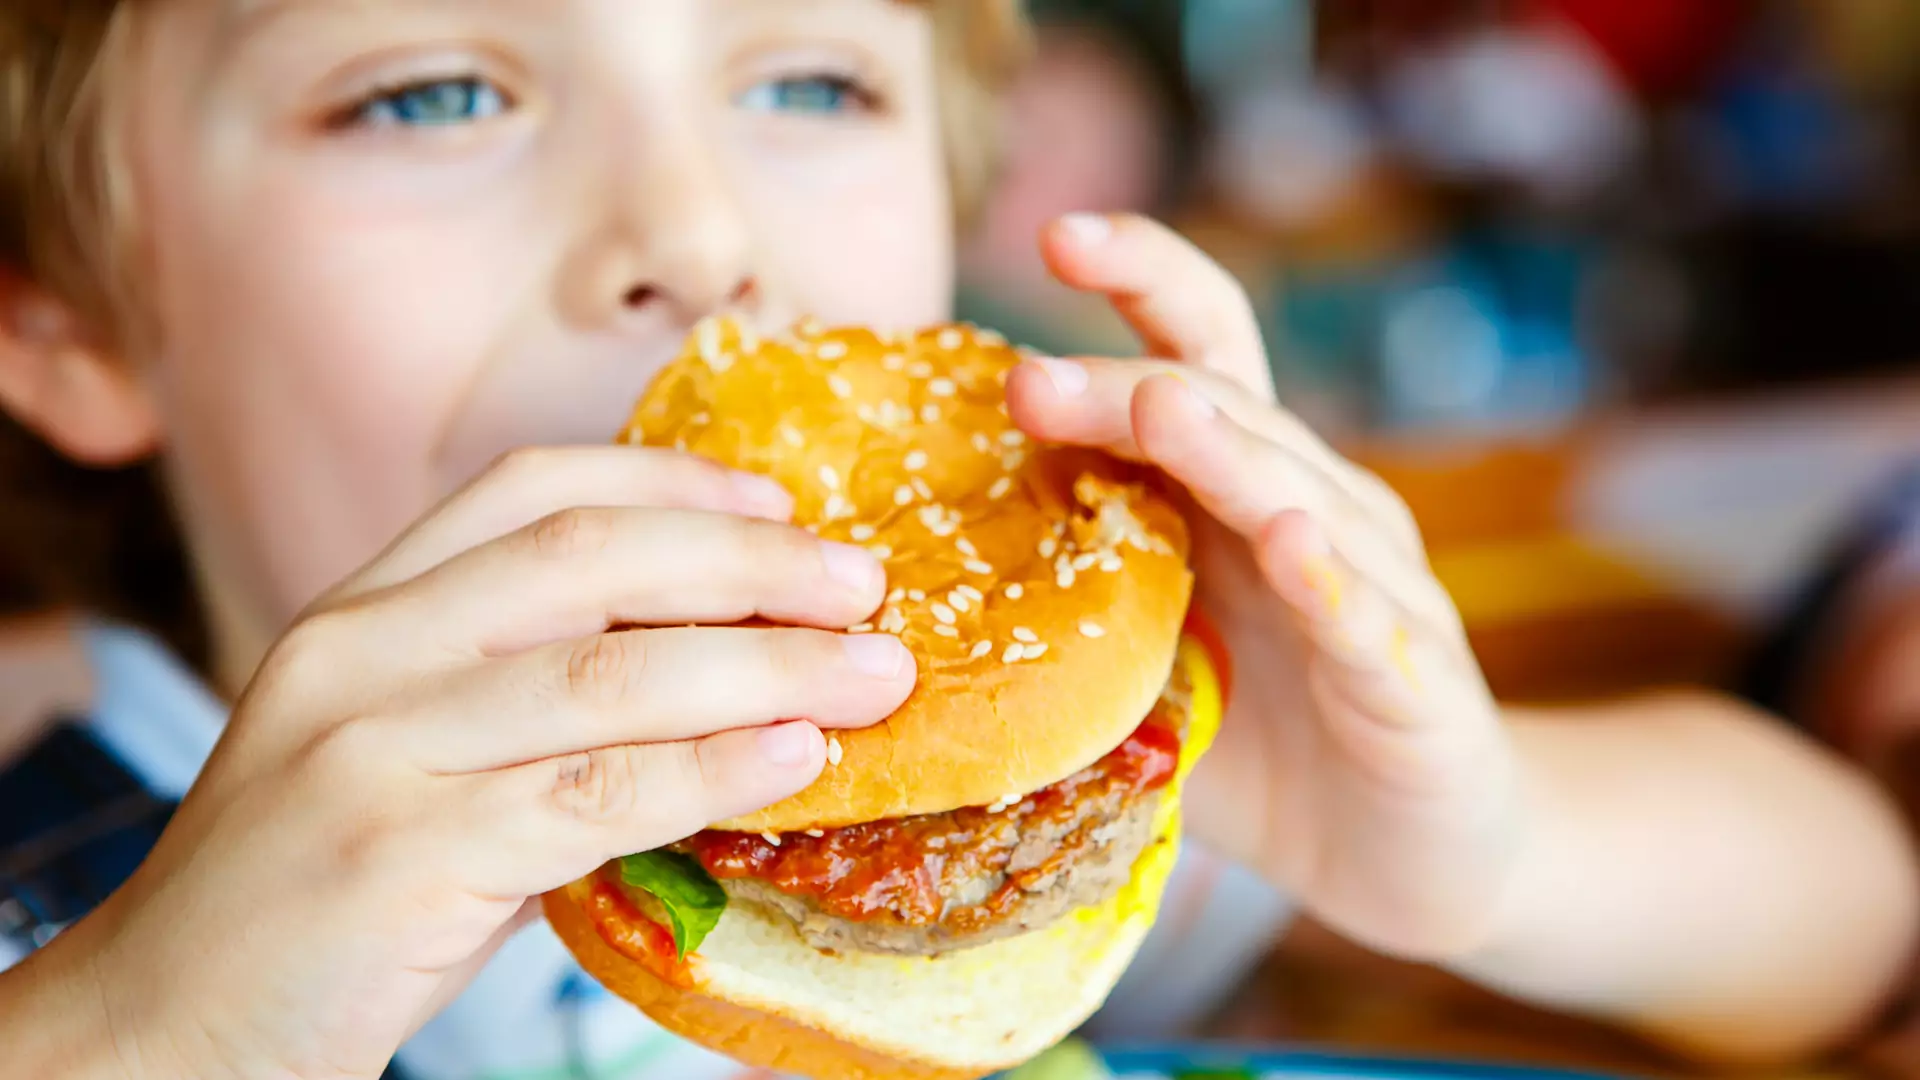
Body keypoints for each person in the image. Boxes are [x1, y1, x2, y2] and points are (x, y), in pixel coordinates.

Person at [0, 3, 1914, 1080]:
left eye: (807, 81)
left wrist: (1483, 850)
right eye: (431, 89)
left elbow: (1852, 922)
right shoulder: (67, 896)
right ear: (68, 321)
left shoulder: (991, 790)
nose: (696, 228)